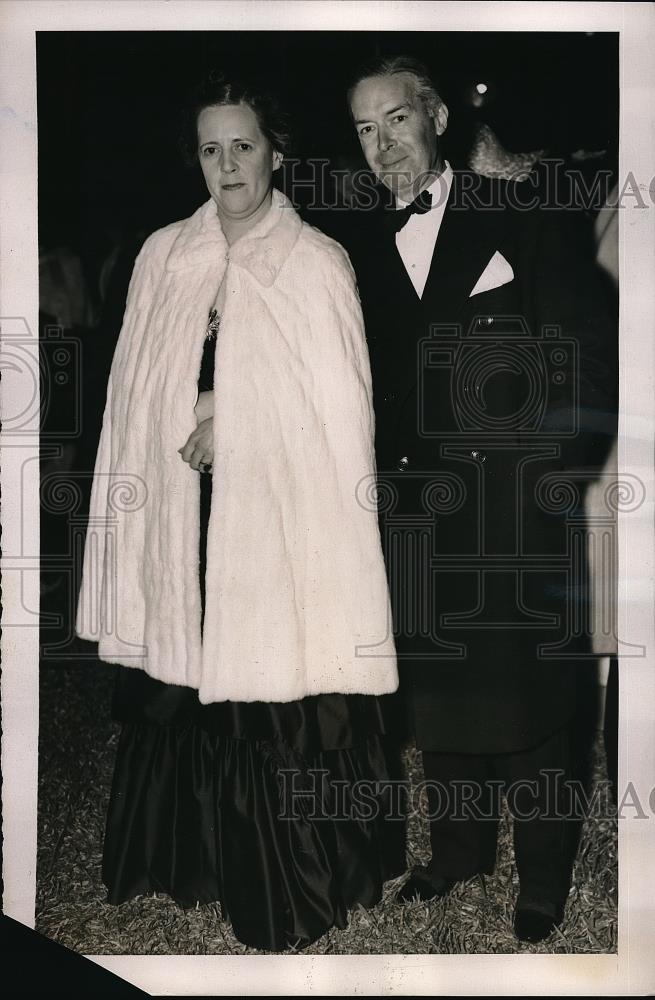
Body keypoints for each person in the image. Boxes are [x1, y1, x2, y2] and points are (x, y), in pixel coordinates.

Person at [75, 72, 405, 952]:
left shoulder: (316, 263)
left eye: (243, 147)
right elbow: (132, 399)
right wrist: (189, 417)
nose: (226, 166)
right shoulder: (162, 256)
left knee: (265, 687)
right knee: (183, 682)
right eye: (210, 149)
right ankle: (188, 859)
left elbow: (343, 422)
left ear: (276, 153)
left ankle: (282, 874)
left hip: (273, 529)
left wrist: (240, 417)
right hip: (181, 521)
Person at [342, 55, 616, 943]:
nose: (384, 145)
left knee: (534, 699)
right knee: (439, 693)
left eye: (396, 120)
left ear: (437, 119)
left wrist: (550, 474)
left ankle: (541, 877)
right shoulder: (352, 247)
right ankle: (458, 847)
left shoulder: (525, 209)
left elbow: (585, 352)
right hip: (417, 515)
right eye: (364, 129)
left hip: (515, 507)